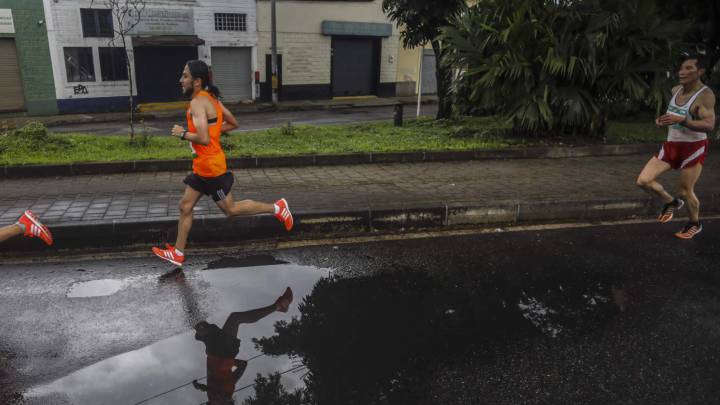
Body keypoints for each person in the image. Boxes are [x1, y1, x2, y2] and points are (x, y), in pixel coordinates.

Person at [152, 60, 293, 266]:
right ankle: (178, 253)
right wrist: (209, 131)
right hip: (201, 168)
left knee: (231, 210)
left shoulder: (198, 103)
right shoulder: (212, 99)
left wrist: (182, 133)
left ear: (197, 81)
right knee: (185, 206)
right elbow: (233, 123)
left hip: (212, 170)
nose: (180, 80)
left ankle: (278, 208)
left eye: (185, 76)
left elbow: (204, 138)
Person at [636, 53, 716, 239]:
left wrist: (684, 121)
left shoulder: (705, 96)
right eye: (681, 68)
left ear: (700, 71)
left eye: (688, 68)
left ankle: (695, 223)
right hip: (672, 144)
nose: (682, 72)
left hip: (693, 147)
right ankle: (671, 203)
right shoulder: (675, 90)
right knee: (643, 180)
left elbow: (709, 125)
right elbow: (673, 114)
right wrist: (662, 120)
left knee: (685, 190)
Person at [192, 287, 294, 404]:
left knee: (206, 324)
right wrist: (228, 362)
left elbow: (239, 367)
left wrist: (202, 387)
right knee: (230, 320)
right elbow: (242, 366)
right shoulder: (225, 394)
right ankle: (279, 306)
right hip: (223, 351)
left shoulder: (219, 394)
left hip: (215, 352)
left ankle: (182, 283)